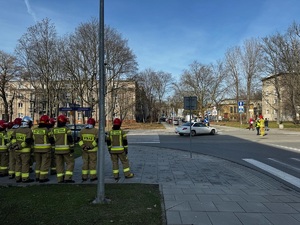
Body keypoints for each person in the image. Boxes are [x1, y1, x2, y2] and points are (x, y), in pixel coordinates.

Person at [49, 114, 75, 183]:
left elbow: (51, 140)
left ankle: (60, 179)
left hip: (57, 150)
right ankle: (68, 178)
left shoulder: (53, 130)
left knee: (59, 164)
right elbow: (70, 139)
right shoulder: (67, 129)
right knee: (70, 163)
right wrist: (72, 148)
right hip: (66, 150)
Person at [11, 116, 34, 183]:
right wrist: (20, 146)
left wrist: (15, 146)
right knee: (25, 164)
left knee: (18, 164)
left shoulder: (17, 130)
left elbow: (13, 139)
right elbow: (28, 141)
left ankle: (17, 178)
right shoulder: (28, 130)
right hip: (25, 151)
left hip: (17, 151)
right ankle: (25, 178)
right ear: (27, 123)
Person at [32, 115, 52, 183]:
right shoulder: (46, 130)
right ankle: (42, 177)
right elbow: (51, 139)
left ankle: (37, 176)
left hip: (36, 149)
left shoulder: (34, 130)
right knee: (44, 163)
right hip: (45, 150)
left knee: (38, 163)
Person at [78, 118, 98, 182]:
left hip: (84, 150)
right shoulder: (95, 131)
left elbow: (79, 140)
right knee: (92, 163)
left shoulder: (82, 131)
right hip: (93, 150)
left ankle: (84, 177)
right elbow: (97, 141)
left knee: (85, 163)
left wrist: (83, 146)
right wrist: (90, 146)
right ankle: (92, 177)